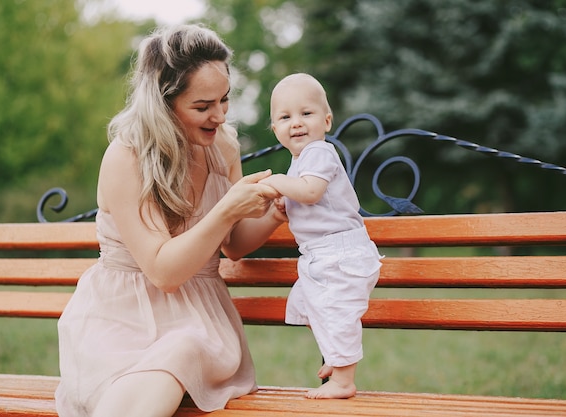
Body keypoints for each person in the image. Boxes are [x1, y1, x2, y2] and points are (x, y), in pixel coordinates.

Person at [55, 24, 285, 417]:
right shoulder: (126, 157)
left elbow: (232, 243)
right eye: (202, 106)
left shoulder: (222, 145)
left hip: (199, 321)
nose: (219, 116)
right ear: (163, 103)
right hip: (120, 321)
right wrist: (228, 207)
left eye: (224, 100)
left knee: (184, 347)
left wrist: (273, 215)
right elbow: (163, 272)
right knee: (165, 362)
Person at [260, 73, 383, 399]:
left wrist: (275, 184)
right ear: (275, 130)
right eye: (285, 117)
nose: (296, 123)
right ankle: (336, 355)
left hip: (341, 255)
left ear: (326, 121)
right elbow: (305, 198)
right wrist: (286, 203)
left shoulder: (319, 152)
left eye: (306, 113)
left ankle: (343, 380)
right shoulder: (300, 161)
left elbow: (311, 192)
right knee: (309, 306)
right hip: (323, 255)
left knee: (336, 312)